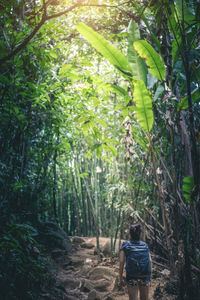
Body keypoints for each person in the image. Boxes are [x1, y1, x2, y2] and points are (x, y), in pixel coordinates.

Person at [119, 223, 152, 300]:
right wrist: (149, 278)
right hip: (144, 275)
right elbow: (150, 261)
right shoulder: (145, 245)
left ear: (130, 234)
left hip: (131, 276)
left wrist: (120, 277)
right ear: (140, 234)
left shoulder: (125, 245)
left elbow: (121, 261)